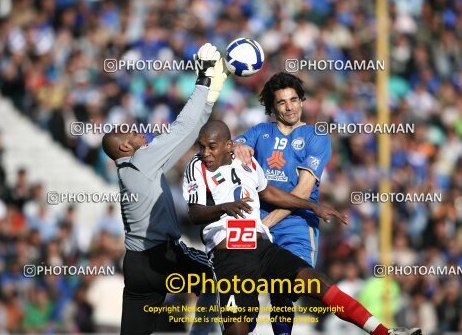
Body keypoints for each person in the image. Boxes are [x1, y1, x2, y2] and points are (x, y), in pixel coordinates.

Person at [182, 120, 421, 335]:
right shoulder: (196, 166)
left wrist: (312, 206)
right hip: (229, 254)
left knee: (316, 281)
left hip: (261, 246)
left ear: (227, 145)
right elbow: (194, 214)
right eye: (201, 146)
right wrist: (225, 207)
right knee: (238, 329)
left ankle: (383, 332)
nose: (205, 153)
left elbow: (268, 192)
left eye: (211, 146)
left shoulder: (246, 161)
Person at [101, 43, 227, 335]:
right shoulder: (142, 160)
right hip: (163, 255)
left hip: (135, 266)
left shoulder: (132, 169)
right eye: (129, 132)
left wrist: (209, 96)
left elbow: (189, 130)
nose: (136, 130)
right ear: (123, 147)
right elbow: (183, 128)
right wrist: (204, 82)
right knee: (220, 278)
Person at [232, 72, 331, 334]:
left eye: (294, 100)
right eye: (282, 102)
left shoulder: (316, 137)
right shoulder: (260, 131)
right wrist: (236, 147)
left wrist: (264, 223)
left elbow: (301, 193)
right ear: (272, 107)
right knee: (243, 297)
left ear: (302, 101)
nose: (290, 107)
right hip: (257, 222)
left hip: (295, 225)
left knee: (284, 289)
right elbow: (228, 145)